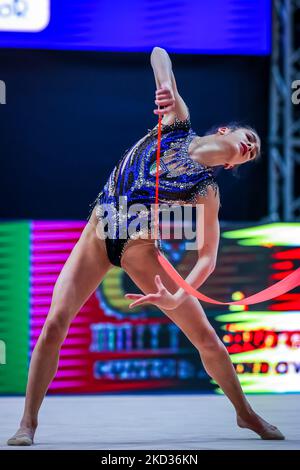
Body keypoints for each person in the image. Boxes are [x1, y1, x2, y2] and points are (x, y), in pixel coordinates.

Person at [7, 47, 284, 446]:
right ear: (226, 130)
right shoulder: (177, 122)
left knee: (205, 337)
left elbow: (207, 255)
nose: (250, 147)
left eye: (253, 153)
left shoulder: (206, 190)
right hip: (98, 235)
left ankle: (246, 414)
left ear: (233, 166)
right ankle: (27, 424)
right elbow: (159, 54)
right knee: (54, 324)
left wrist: (177, 293)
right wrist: (166, 88)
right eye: (249, 139)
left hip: (139, 247)